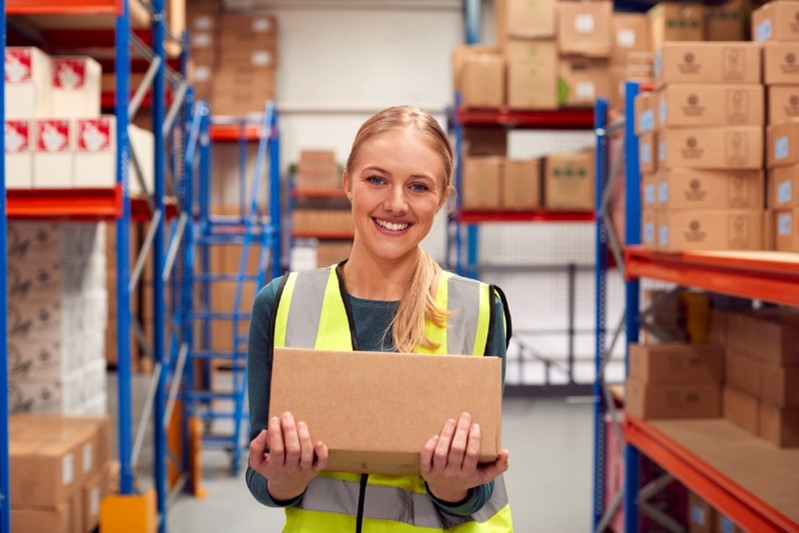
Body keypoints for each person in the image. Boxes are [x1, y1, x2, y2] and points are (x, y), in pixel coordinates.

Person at [246, 105, 514, 531]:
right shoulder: (282, 302)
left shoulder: (478, 310)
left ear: (443, 198)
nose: (395, 204)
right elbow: (261, 476)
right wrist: (286, 478)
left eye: (419, 186)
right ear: (347, 182)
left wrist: (451, 487)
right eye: (376, 179)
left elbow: (478, 489)